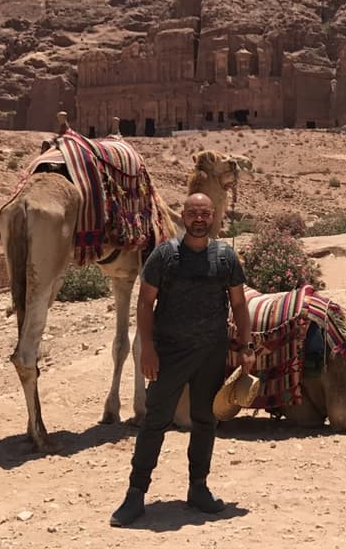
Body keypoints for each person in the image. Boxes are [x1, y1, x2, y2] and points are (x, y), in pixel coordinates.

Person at [110, 193, 256, 527]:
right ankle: (135, 494)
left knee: (205, 421)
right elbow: (145, 303)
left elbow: (238, 304)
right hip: (170, 354)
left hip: (211, 352)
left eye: (205, 213)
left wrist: (246, 346)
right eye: (192, 213)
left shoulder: (225, 257)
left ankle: (198, 487)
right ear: (184, 216)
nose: (199, 219)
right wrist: (148, 349)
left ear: (214, 216)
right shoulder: (164, 255)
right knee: (155, 421)